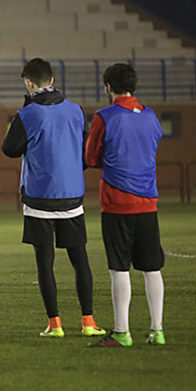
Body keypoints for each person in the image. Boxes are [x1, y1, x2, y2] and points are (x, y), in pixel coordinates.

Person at [1, 58, 105, 338]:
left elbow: (9, 148)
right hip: (72, 195)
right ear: (53, 80)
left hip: (39, 198)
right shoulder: (76, 110)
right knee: (80, 260)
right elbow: (85, 154)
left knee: (45, 263)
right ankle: (88, 321)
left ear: (29, 83)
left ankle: (55, 324)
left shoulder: (28, 114)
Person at [84, 63, 166, 347]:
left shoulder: (104, 117)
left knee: (119, 268)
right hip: (148, 202)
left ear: (108, 87)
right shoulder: (151, 116)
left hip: (117, 202)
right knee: (152, 268)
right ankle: (157, 331)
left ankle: (122, 332)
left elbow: (91, 158)